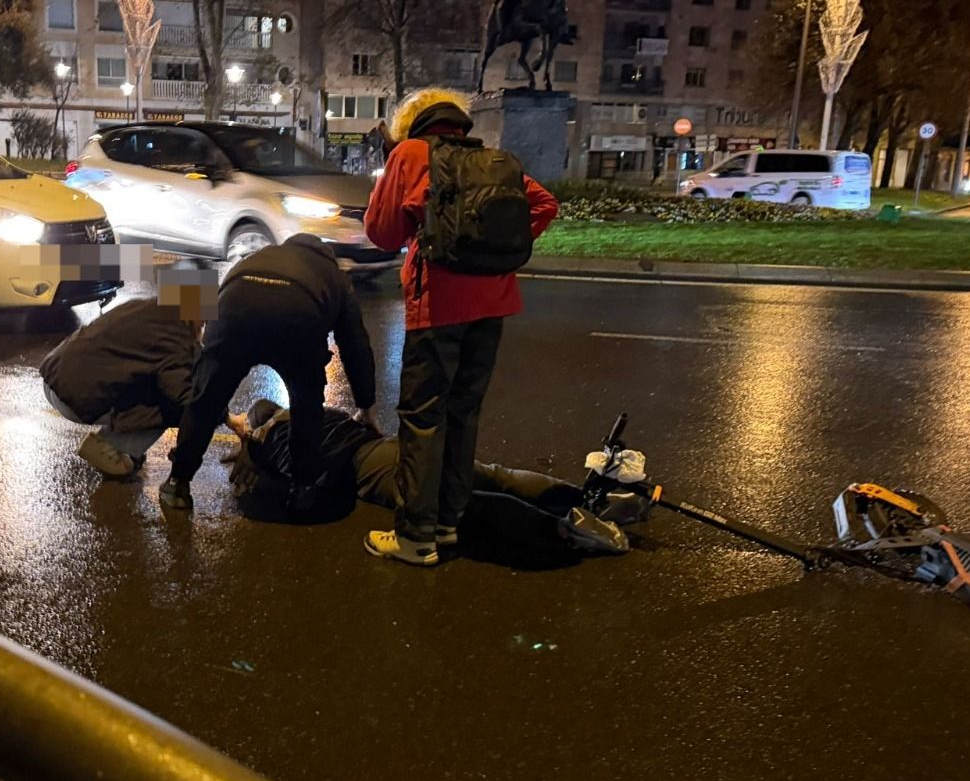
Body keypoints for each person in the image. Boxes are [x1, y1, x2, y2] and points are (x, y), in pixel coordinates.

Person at [363, 88, 559, 566]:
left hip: (438, 307)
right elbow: (545, 204)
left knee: (423, 418)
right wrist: (488, 250)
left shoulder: (410, 154)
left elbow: (381, 232)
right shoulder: (493, 159)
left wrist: (436, 241)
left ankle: (415, 536)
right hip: (493, 304)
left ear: (411, 124)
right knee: (463, 413)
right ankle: (449, 522)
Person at [226, 400, 640, 559]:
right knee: (494, 475)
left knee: (464, 504)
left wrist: (256, 453)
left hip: (375, 470)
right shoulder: (319, 413)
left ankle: (564, 530)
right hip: (399, 446)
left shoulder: (280, 438)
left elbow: (312, 482)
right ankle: (589, 500)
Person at [159, 234, 376, 512]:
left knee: (207, 398)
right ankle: (303, 489)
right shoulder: (334, 276)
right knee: (306, 404)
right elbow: (356, 346)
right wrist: (365, 406)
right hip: (299, 317)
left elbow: (220, 302)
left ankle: (179, 482)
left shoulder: (260, 257)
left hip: (234, 307)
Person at [40, 267, 213, 478]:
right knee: (172, 406)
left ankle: (123, 444)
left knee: (157, 386)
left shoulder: (150, 309)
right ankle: (112, 448)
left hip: (56, 376)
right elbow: (181, 394)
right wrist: (223, 415)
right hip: (73, 394)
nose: (207, 320)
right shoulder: (174, 332)